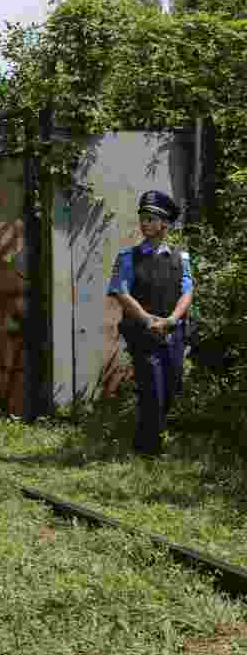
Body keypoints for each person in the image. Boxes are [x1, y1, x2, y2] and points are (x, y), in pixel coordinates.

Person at [107, 190, 194, 457]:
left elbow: (187, 292)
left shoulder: (182, 258)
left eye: (150, 219)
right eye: (142, 218)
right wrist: (148, 321)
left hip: (173, 333)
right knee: (152, 388)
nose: (144, 224)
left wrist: (171, 320)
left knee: (171, 386)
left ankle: (145, 439)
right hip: (143, 335)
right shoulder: (128, 257)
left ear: (164, 224)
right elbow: (121, 292)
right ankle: (149, 450)